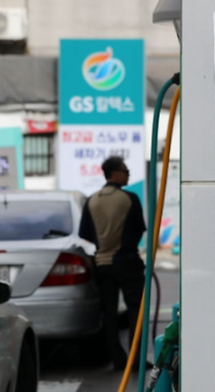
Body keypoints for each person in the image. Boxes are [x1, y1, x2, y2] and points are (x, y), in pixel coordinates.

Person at [79, 156, 147, 371]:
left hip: (102, 264)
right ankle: (136, 359)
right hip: (128, 262)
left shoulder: (92, 200)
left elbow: (85, 234)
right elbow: (139, 229)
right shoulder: (129, 199)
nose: (128, 174)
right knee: (136, 309)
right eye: (126, 171)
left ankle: (118, 359)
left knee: (109, 313)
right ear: (115, 173)